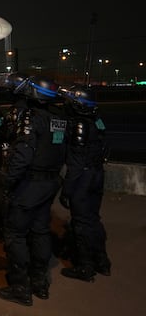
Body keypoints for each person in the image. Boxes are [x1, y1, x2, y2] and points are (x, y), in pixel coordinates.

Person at [0, 75, 68, 307]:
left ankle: (20, 288)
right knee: (40, 231)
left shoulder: (31, 117)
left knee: (15, 234)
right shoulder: (59, 117)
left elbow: (23, 155)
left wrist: (8, 181)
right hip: (49, 183)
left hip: (29, 184)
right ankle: (40, 283)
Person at [59, 86, 111, 281]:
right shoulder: (97, 121)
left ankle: (85, 267)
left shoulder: (79, 124)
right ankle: (102, 261)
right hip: (97, 174)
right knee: (93, 219)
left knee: (80, 222)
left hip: (83, 177)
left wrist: (67, 189)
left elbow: (76, 162)